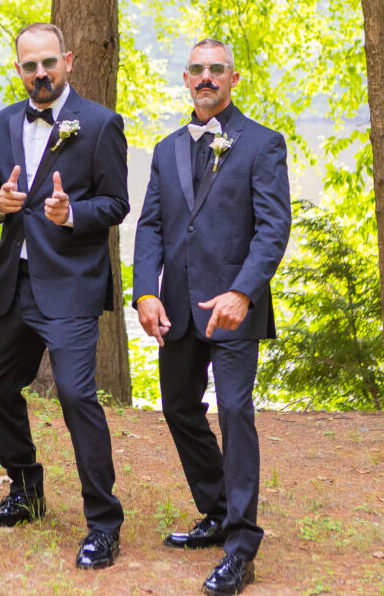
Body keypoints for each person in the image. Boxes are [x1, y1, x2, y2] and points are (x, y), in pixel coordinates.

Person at [132, 38, 291, 595]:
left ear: (233, 79)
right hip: (176, 306)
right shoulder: (167, 146)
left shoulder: (263, 144)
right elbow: (150, 226)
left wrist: (244, 292)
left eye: (216, 70)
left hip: (232, 309)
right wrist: (143, 295)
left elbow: (273, 229)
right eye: (197, 70)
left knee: (234, 409)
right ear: (185, 78)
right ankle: (218, 509)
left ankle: (242, 547)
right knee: (177, 406)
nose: (206, 78)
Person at [0, 23, 129, 569]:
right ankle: (26, 492)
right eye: (28, 65)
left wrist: (73, 214)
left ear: (66, 60)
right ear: (17, 70)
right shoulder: (3, 121)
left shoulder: (100, 124)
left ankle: (103, 523)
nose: (39, 73)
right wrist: (0, 201)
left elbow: (116, 203)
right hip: (12, 284)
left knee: (75, 396)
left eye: (48, 63)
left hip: (69, 284)